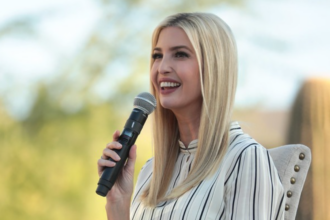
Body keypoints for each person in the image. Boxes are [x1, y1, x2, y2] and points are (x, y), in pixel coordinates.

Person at [97, 12, 285, 219]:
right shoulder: (150, 171)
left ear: (214, 67)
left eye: (180, 54)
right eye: (157, 56)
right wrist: (119, 202)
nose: (162, 68)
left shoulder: (245, 158)